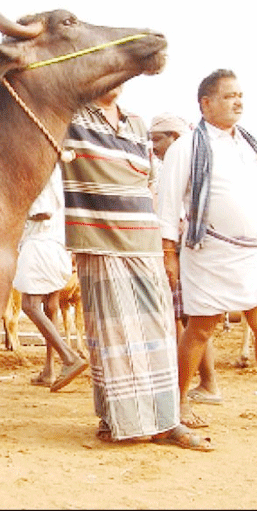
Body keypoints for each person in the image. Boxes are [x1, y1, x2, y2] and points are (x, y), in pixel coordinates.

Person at [61, 84, 213, 451]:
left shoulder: (136, 124)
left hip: (144, 242)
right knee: (115, 338)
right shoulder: (69, 117)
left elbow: (148, 184)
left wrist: (164, 244)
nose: (116, 80)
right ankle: (119, 421)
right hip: (100, 242)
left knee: (158, 334)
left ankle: (166, 423)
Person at [157, 69, 257, 429]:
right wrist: (168, 253)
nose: (239, 101)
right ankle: (179, 404)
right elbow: (168, 206)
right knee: (201, 328)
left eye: (240, 94)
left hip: (251, 253)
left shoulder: (248, 142)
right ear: (206, 103)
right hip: (208, 251)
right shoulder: (187, 146)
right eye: (230, 95)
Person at [149, 113, 221, 406]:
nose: (153, 147)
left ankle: (193, 389)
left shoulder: (178, 166)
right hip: (185, 248)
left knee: (184, 320)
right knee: (196, 321)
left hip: (180, 250)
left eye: (157, 139)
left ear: (175, 138)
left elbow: (174, 216)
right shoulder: (183, 164)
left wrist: (168, 252)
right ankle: (206, 384)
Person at [13, 164, 88, 391]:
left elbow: (42, 210)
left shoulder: (42, 169)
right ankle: (49, 369)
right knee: (51, 306)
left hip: (41, 243)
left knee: (30, 305)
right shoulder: (59, 171)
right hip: (56, 243)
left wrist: (14, 210)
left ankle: (68, 357)